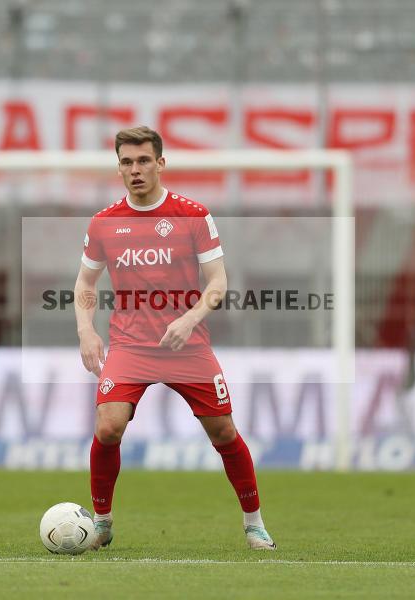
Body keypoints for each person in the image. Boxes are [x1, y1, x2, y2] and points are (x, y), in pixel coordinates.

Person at [73, 126, 276, 551]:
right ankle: (102, 521)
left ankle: (254, 524)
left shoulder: (193, 215)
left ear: (160, 163)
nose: (136, 170)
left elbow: (218, 281)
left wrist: (190, 319)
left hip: (189, 346)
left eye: (144, 160)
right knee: (108, 427)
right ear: (119, 168)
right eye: (127, 162)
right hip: (129, 346)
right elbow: (85, 283)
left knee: (223, 432)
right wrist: (86, 329)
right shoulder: (104, 223)